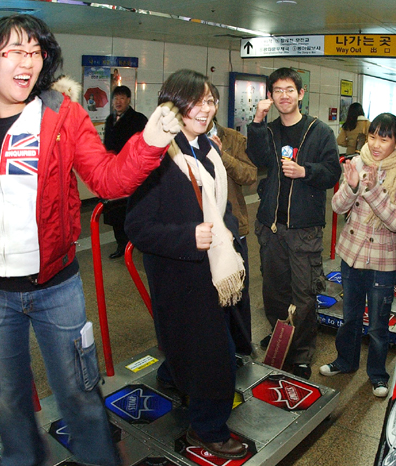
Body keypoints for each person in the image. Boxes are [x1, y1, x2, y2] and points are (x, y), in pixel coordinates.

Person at [0, 15, 180, 466]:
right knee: (8, 401)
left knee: (80, 394)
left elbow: (108, 178)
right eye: (15, 51)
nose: (29, 61)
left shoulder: (62, 116)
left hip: (56, 287)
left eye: (36, 52)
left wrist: (150, 141)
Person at [125, 69, 247, 460]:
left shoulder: (207, 149)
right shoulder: (155, 153)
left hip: (212, 271)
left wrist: (226, 231)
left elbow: (219, 206)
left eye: (210, 101)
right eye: (196, 101)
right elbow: (137, 227)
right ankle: (207, 428)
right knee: (217, 357)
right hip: (179, 274)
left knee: (193, 345)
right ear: (173, 103)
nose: (205, 108)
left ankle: (174, 376)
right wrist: (188, 237)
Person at [247, 67, 341, 379]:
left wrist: (306, 172)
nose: (283, 96)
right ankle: (279, 338)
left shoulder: (320, 132)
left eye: (289, 90)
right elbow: (259, 159)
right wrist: (257, 122)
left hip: (304, 229)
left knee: (303, 294)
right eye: (277, 91)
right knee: (274, 291)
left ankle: (301, 352)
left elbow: (332, 173)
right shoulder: (269, 130)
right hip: (271, 226)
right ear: (270, 97)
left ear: (300, 94)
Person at [319, 113, 396, 397]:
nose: (375, 144)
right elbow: (337, 206)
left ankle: (377, 374)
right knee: (350, 316)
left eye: (384, 139)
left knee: (377, 323)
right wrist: (350, 187)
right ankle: (345, 361)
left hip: (383, 260)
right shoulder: (358, 162)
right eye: (372, 136)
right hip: (353, 255)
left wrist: (372, 190)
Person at [208, 83, 257, 355]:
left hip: (233, 226)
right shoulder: (181, 139)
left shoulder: (233, 139)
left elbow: (250, 176)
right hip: (202, 230)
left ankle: (241, 348)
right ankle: (214, 350)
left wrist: (222, 156)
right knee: (207, 295)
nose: (205, 108)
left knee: (237, 291)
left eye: (210, 101)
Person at [102, 85, 148, 259]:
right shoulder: (109, 119)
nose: (118, 102)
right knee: (116, 212)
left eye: (122, 98)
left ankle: (138, 240)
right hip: (114, 172)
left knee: (135, 209)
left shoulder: (138, 119)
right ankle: (121, 243)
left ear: (129, 100)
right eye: (115, 98)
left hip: (134, 172)